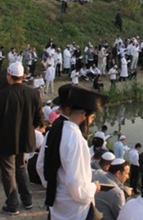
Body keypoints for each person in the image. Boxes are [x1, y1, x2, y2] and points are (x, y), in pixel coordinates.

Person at [37, 86, 108, 220]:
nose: (91, 122)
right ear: (84, 115)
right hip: (75, 210)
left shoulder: (55, 129)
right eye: (92, 118)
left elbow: (40, 166)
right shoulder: (76, 139)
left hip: (58, 202)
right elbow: (77, 186)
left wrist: (55, 187)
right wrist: (93, 187)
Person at [0, 62, 43, 215]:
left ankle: (12, 203)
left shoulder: (3, 95)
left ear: (8, 75)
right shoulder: (33, 93)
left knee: (8, 171)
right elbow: (39, 118)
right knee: (21, 167)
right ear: (23, 76)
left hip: (6, 138)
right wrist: (29, 127)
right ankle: (27, 199)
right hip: (25, 137)